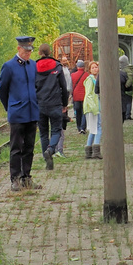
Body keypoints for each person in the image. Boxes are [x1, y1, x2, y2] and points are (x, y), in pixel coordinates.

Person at [0, 35, 40, 191]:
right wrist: (10, 106)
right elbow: (2, 90)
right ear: (18, 48)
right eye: (25, 50)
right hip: (17, 113)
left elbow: (37, 87)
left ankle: (26, 178)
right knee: (16, 148)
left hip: (31, 112)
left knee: (29, 147)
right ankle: (15, 179)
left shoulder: (33, 65)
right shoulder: (9, 66)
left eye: (30, 50)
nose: (28, 53)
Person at [35, 42, 69, 170]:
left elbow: (32, 87)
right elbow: (64, 87)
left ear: (39, 53)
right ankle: (50, 150)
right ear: (50, 53)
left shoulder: (34, 67)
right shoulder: (57, 66)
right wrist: (64, 104)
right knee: (56, 130)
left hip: (40, 104)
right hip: (54, 103)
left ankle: (47, 162)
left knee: (43, 133)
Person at [82, 60, 102, 160]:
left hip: (95, 105)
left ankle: (88, 151)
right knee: (99, 127)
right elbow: (89, 94)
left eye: (96, 67)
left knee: (94, 128)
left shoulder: (96, 78)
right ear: (89, 70)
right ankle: (96, 149)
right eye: (93, 68)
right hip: (92, 107)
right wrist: (94, 107)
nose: (95, 69)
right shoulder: (90, 79)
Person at [55, 54, 73, 156]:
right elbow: (65, 84)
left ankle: (57, 148)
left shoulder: (66, 69)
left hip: (63, 95)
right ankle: (59, 149)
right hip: (62, 96)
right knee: (60, 123)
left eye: (66, 60)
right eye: (63, 60)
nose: (65, 61)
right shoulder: (60, 71)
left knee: (60, 123)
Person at [70, 58, 88, 133]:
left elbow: (71, 86)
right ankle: (83, 127)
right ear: (84, 67)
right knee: (84, 112)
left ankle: (78, 126)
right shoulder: (87, 75)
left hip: (76, 96)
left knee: (78, 112)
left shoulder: (73, 75)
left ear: (77, 67)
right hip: (84, 95)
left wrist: (71, 94)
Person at [118, 53, 133, 121]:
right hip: (128, 88)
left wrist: (126, 85)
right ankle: (127, 114)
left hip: (128, 89)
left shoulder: (126, 69)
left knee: (128, 102)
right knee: (128, 102)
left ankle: (127, 115)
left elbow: (130, 79)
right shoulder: (129, 68)